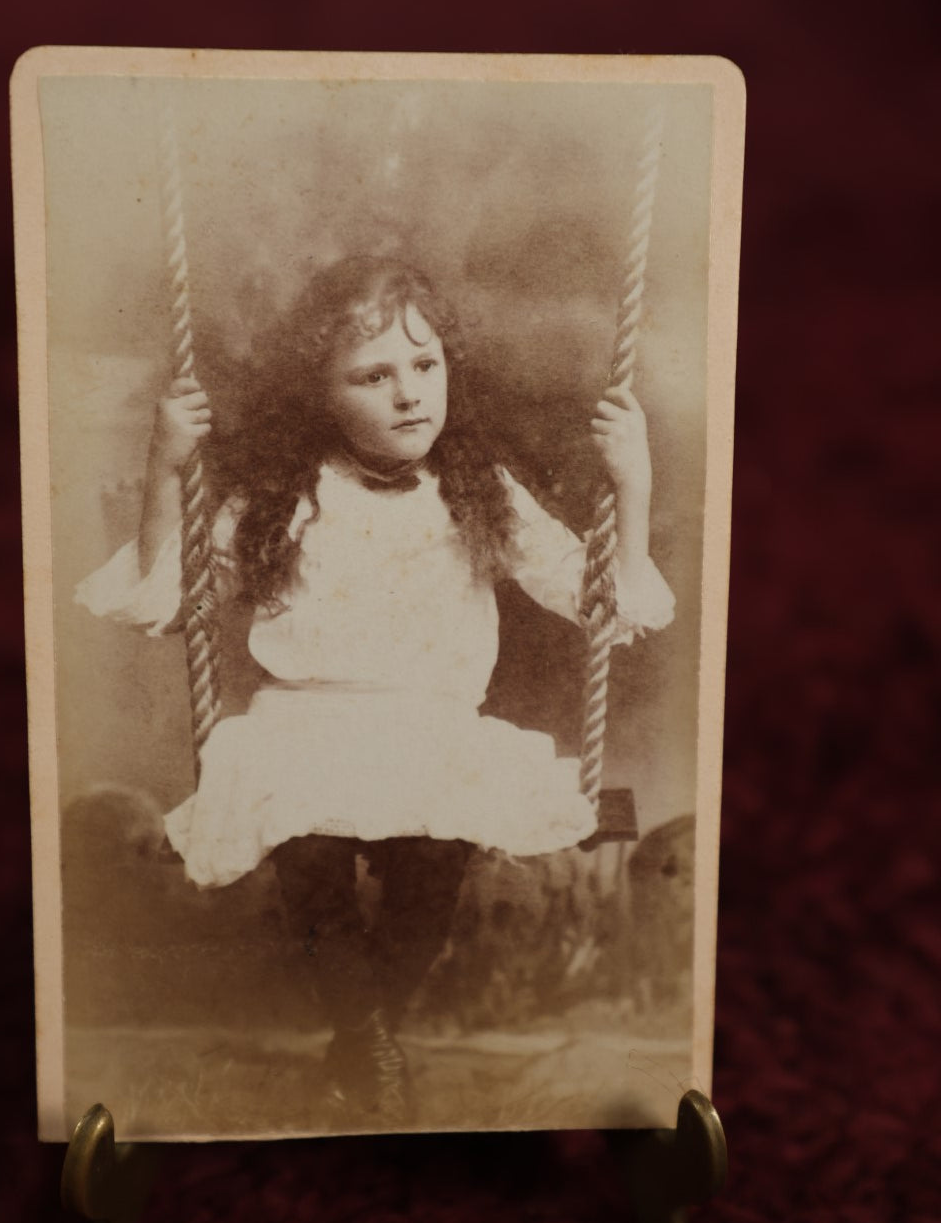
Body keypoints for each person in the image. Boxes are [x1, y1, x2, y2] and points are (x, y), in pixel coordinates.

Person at [77, 255, 674, 1126]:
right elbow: (170, 599)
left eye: (425, 365)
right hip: (305, 728)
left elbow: (600, 602)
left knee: (430, 884)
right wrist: (166, 468)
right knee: (311, 876)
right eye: (373, 374)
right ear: (321, 394)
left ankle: (361, 1044)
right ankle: (373, 1050)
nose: (409, 394)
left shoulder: (481, 491)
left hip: (430, 731)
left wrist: (635, 482)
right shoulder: (280, 498)